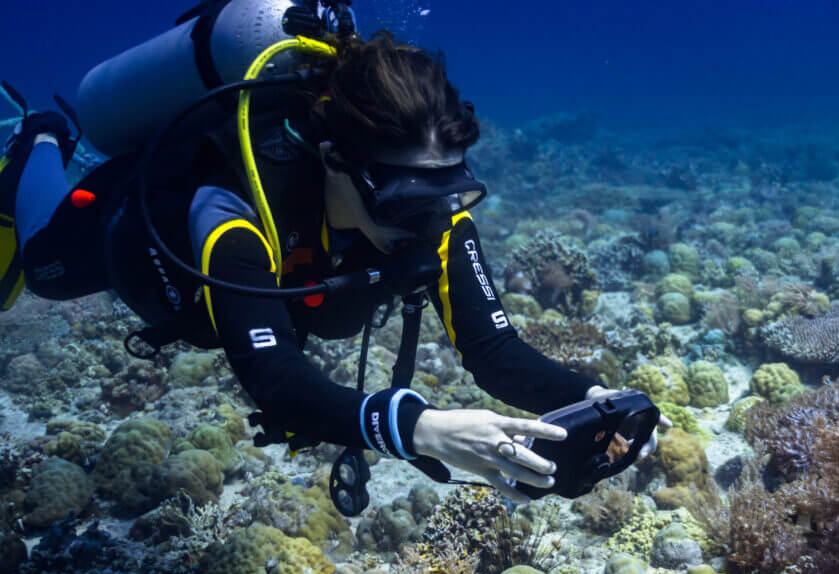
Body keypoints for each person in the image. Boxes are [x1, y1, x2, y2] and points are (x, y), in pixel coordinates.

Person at [0, 29, 669, 506]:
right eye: (407, 201)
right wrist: (420, 427)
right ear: (334, 161)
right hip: (129, 244)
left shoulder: (429, 218)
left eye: (447, 195)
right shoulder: (235, 203)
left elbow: (494, 350)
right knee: (42, 265)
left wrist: (594, 399)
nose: (430, 223)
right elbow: (277, 379)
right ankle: (41, 138)